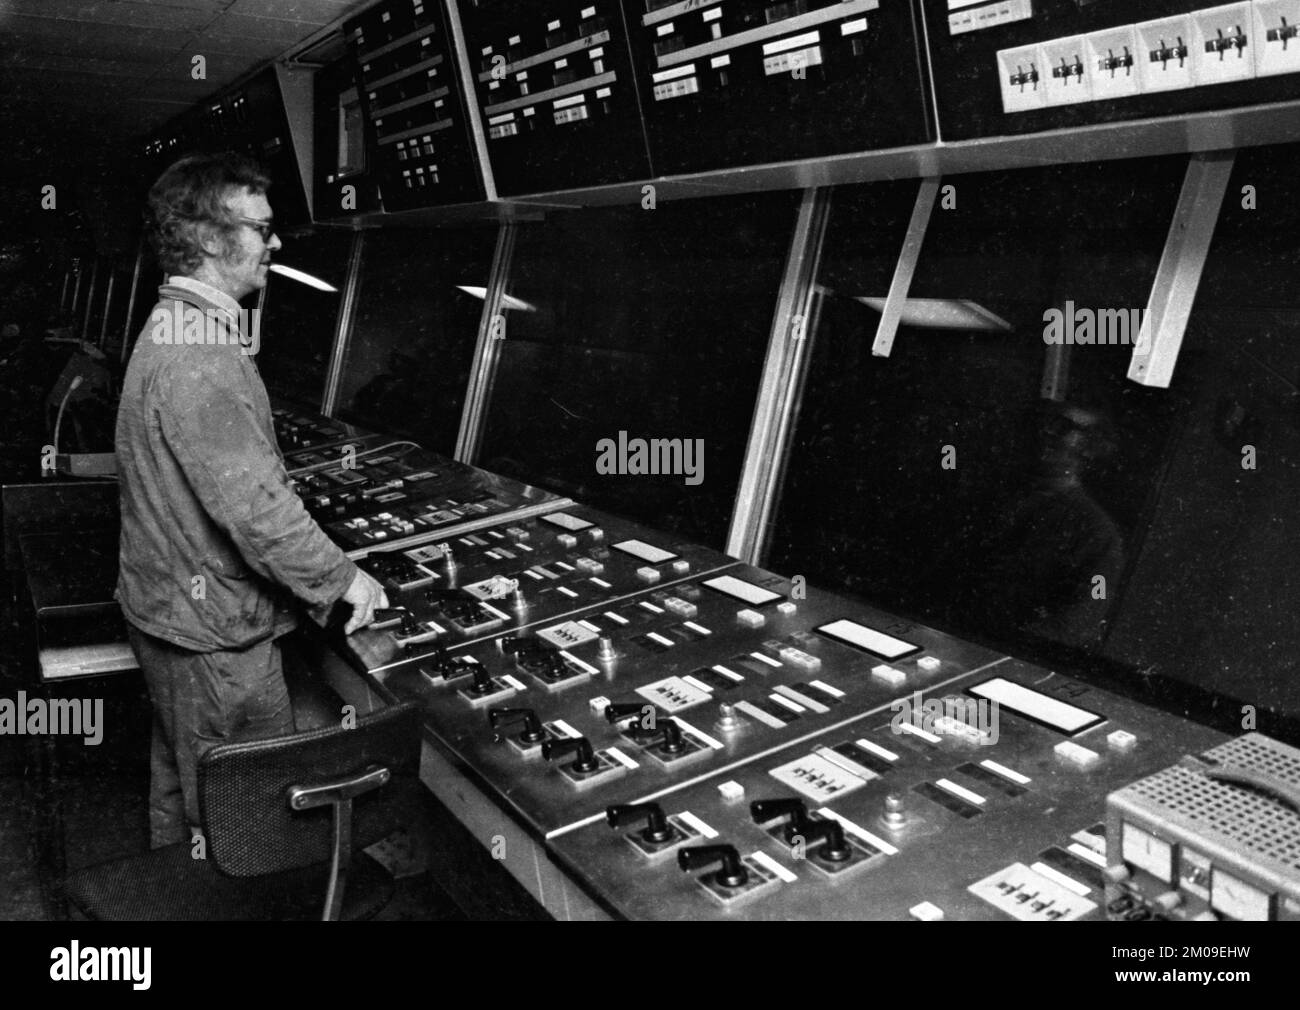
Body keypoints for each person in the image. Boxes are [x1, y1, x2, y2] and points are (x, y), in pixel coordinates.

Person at [116, 152, 389, 847]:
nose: (276, 242)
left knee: (186, 782)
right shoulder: (200, 351)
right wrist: (343, 579)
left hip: (175, 615)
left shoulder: (176, 326)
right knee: (245, 816)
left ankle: (174, 889)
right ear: (209, 239)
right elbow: (254, 509)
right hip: (213, 634)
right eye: (262, 227)